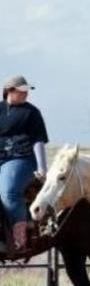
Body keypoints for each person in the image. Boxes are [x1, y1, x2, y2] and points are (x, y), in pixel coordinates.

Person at [0, 75, 48, 252]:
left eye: (26, 91)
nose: (26, 94)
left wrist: (42, 167)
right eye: (22, 91)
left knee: (9, 192)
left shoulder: (31, 112)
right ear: (9, 91)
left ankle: (19, 239)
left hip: (21, 159)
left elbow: (38, 141)